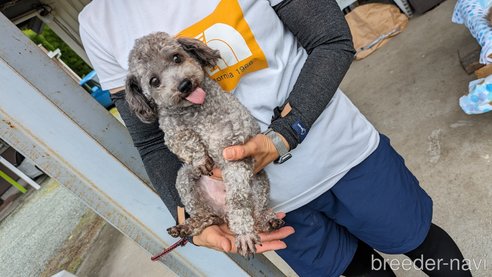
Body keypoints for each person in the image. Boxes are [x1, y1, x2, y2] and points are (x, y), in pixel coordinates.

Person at [79, 0, 471, 276]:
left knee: (422, 243)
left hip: (342, 156)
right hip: (266, 207)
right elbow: (149, 140)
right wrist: (192, 219)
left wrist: (285, 134)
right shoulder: (98, 22)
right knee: (359, 270)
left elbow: (330, 40)